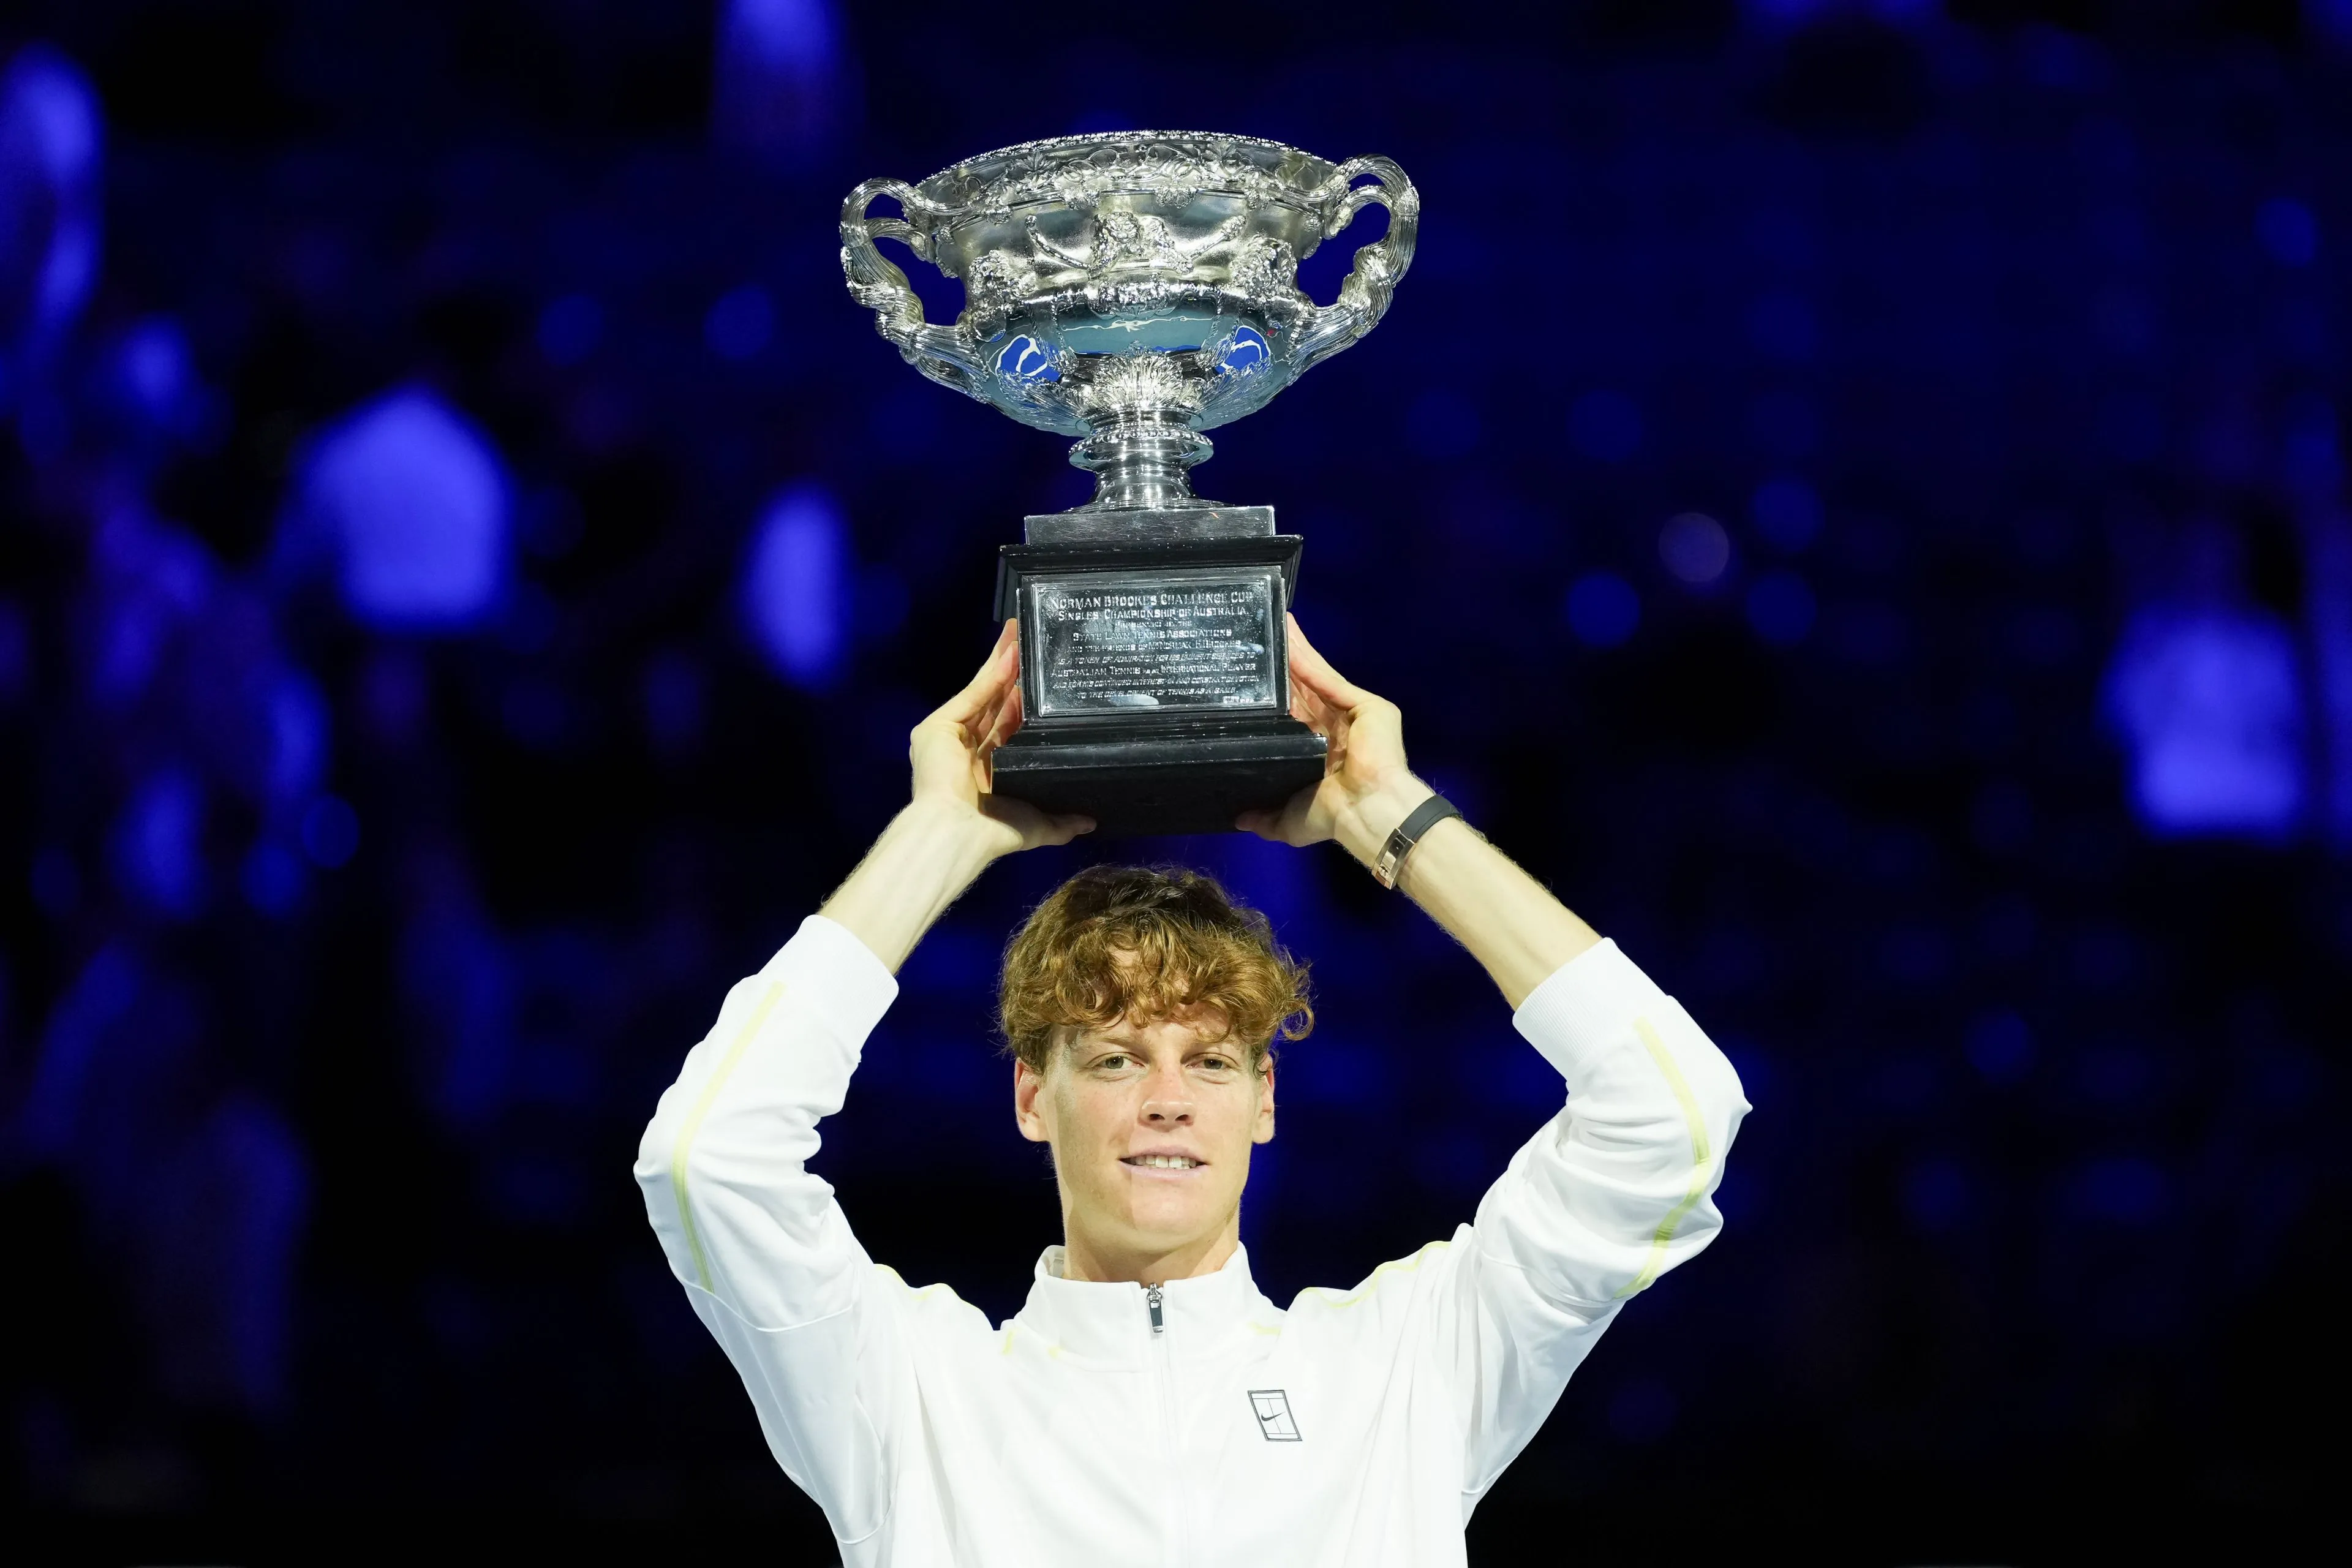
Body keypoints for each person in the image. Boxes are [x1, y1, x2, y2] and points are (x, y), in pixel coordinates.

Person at [635, 616, 1749, 1566]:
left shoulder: (1407, 1369)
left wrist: (1390, 817)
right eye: (1116, 1059)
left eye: (1211, 1061)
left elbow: (1671, 1113)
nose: (1168, 1098)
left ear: (1265, 1102)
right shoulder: (912, 1395)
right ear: (1032, 1099)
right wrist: (938, 836)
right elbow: (708, 1157)